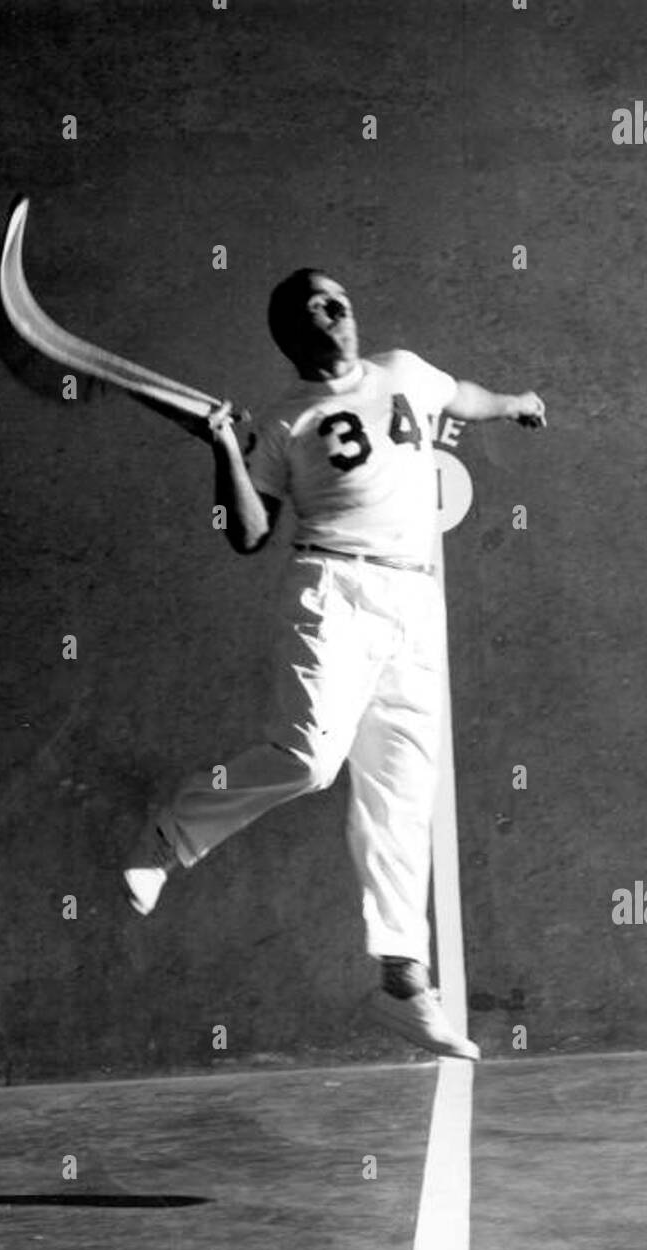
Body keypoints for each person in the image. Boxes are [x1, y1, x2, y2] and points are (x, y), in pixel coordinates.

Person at [124, 269, 545, 1059]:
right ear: (291, 334)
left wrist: (515, 401)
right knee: (310, 760)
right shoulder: (284, 422)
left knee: (404, 792)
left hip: (417, 603)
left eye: (336, 295)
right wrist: (222, 446)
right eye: (311, 303)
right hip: (335, 591)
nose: (332, 307)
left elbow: (465, 397)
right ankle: (169, 836)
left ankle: (401, 986)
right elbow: (247, 534)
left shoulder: (405, 372)